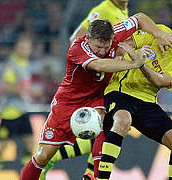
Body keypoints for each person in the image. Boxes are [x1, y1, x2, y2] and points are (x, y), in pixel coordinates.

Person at [20, 12, 172, 180]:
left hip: (97, 97)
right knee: (42, 156)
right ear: (88, 39)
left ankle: (98, 176)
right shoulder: (77, 49)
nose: (102, 51)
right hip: (68, 103)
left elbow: (139, 18)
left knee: (105, 120)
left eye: (106, 46)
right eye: (98, 47)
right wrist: (133, 63)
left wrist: (159, 34)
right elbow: (98, 65)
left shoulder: (116, 33)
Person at [98, 8, 172, 180]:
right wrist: (127, 55)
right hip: (120, 90)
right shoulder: (160, 32)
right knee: (123, 120)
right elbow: (125, 45)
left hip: (147, 101)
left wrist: (140, 62)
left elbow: (160, 81)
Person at [40, 1, 131, 179]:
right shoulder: (104, 9)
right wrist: (95, 66)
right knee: (111, 127)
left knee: (112, 130)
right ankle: (57, 161)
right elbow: (75, 39)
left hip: (108, 80)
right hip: (96, 83)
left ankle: (88, 173)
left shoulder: (123, 9)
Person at [0, 34, 42, 177]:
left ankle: (27, 176)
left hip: (22, 110)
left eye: (27, 47)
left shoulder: (24, 64)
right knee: (3, 146)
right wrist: (30, 91)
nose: (25, 50)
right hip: (10, 111)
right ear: (16, 48)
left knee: (30, 144)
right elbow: (8, 87)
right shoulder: (11, 65)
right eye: (22, 47)